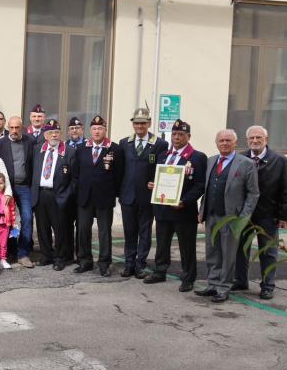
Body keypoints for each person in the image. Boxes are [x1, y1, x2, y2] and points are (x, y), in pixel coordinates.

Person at [196, 129, 259, 303]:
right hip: (211, 215)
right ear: (216, 143)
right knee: (212, 252)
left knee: (228, 254)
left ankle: (224, 288)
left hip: (232, 218)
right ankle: (212, 284)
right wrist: (202, 211)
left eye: (228, 140)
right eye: (221, 140)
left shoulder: (246, 164)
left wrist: (244, 217)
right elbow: (207, 189)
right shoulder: (210, 161)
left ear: (235, 143)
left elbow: (253, 194)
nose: (224, 143)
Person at [144, 119, 206, 291]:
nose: (176, 137)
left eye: (181, 134)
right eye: (174, 134)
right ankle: (160, 271)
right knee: (162, 243)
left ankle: (188, 277)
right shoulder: (164, 155)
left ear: (188, 136)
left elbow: (200, 185)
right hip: (163, 208)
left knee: (186, 246)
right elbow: (158, 178)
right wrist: (153, 185)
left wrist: (185, 201)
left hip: (183, 210)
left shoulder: (197, 157)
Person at [233, 125, 287, 300]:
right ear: (247, 140)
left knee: (268, 252)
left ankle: (268, 285)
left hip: (268, 215)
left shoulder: (279, 161)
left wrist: (284, 216)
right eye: (251, 138)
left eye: (258, 138)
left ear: (266, 140)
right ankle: (241, 280)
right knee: (241, 250)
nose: (255, 141)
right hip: (244, 215)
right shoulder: (240, 158)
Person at [118, 106, 169, 278]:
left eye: (143, 123)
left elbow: (162, 168)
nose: (140, 126)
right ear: (133, 124)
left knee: (145, 233)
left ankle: (140, 265)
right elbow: (120, 169)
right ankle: (129, 264)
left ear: (149, 123)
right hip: (127, 196)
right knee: (129, 232)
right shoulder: (124, 142)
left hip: (147, 196)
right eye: (137, 123)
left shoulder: (160, 144)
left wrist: (156, 182)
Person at [74, 115, 124, 277]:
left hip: (104, 198)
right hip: (85, 198)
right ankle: (85, 261)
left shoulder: (114, 149)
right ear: (90, 130)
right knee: (83, 230)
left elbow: (119, 175)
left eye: (100, 128)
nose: (97, 131)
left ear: (105, 130)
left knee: (104, 232)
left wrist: (113, 193)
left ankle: (104, 263)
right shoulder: (82, 149)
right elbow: (76, 174)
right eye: (94, 129)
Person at [30, 120, 77, 271]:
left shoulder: (69, 151)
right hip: (41, 194)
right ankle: (46, 255)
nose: (54, 135)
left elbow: (75, 178)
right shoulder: (37, 149)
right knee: (43, 228)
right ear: (45, 135)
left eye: (56, 132)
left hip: (59, 196)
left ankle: (60, 258)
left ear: (60, 133)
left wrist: (67, 194)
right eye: (50, 132)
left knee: (60, 229)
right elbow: (33, 172)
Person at [0, 116, 36, 267]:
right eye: (11, 127)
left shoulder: (30, 141)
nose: (14, 131)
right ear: (8, 127)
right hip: (7, 188)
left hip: (25, 187)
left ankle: (23, 253)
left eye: (17, 127)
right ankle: (10, 251)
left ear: (22, 127)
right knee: (7, 220)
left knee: (27, 218)